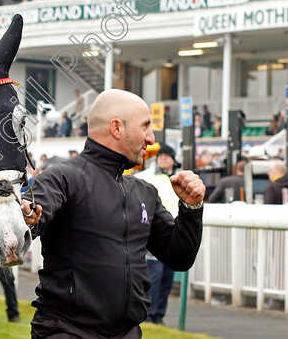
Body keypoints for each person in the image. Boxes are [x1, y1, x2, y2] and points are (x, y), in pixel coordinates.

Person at [19, 89, 205, 338]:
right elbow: (30, 216)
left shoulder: (144, 192)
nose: (151, 138)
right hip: (66, 331)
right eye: (145, 126)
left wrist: (191, 208)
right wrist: (28, 219)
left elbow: (180, 257)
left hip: (128, 333)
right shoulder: (64, 177)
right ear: (117, 128)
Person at [135, 143, 179, 325]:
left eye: (166, 156)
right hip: (153, 234)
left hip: (173, 233)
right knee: (155, 276)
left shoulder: (179, 177)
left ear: (173, 159)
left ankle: (158, 315)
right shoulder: (145, 177)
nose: (163, 158)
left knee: (167, 278)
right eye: (161, 156)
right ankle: (149, 315)